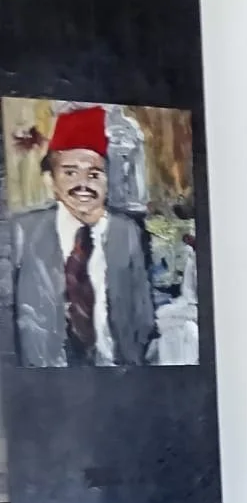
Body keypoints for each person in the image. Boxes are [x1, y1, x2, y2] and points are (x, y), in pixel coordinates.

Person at [12, 105, 156, 367]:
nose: (84, 184)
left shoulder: (126, 234)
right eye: (69, 172)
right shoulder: (22, 232)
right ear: (50, 181)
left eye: (94, 174)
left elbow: (143, 316)